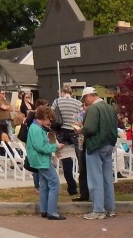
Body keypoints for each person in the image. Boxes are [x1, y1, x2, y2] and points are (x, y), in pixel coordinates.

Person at [80, 86, 119, 220]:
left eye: (85, 99)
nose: (85, 103)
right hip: (109, 144)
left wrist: (80, 130)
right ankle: (110, 208)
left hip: (95, 145)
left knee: (95, 178)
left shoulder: (93, 108)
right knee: (107, 178)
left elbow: (89, 128)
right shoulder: (109, 107)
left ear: (89, 96)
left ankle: (98, 210)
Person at [27, 104, 66, 220]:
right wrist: (56, 146)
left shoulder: (35, 127)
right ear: (44, 117)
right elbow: (41, 147)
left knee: (44, 185)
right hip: (41, 160)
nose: (50, 122)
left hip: (38, 159)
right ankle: (52, 212)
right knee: (54, 184)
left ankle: (44, 210)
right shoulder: (37, 129)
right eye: (49, 119)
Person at [51, 84, 82, 197]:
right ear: (71, 92)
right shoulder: (78, 103)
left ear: (62, 92)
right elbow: (81, 117)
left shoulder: (57, 101)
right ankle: (83, 186)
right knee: (80, 159)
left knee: (66, 160)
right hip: (74, 131)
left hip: (62, 132)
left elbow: (51, 114)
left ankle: (72, 187)